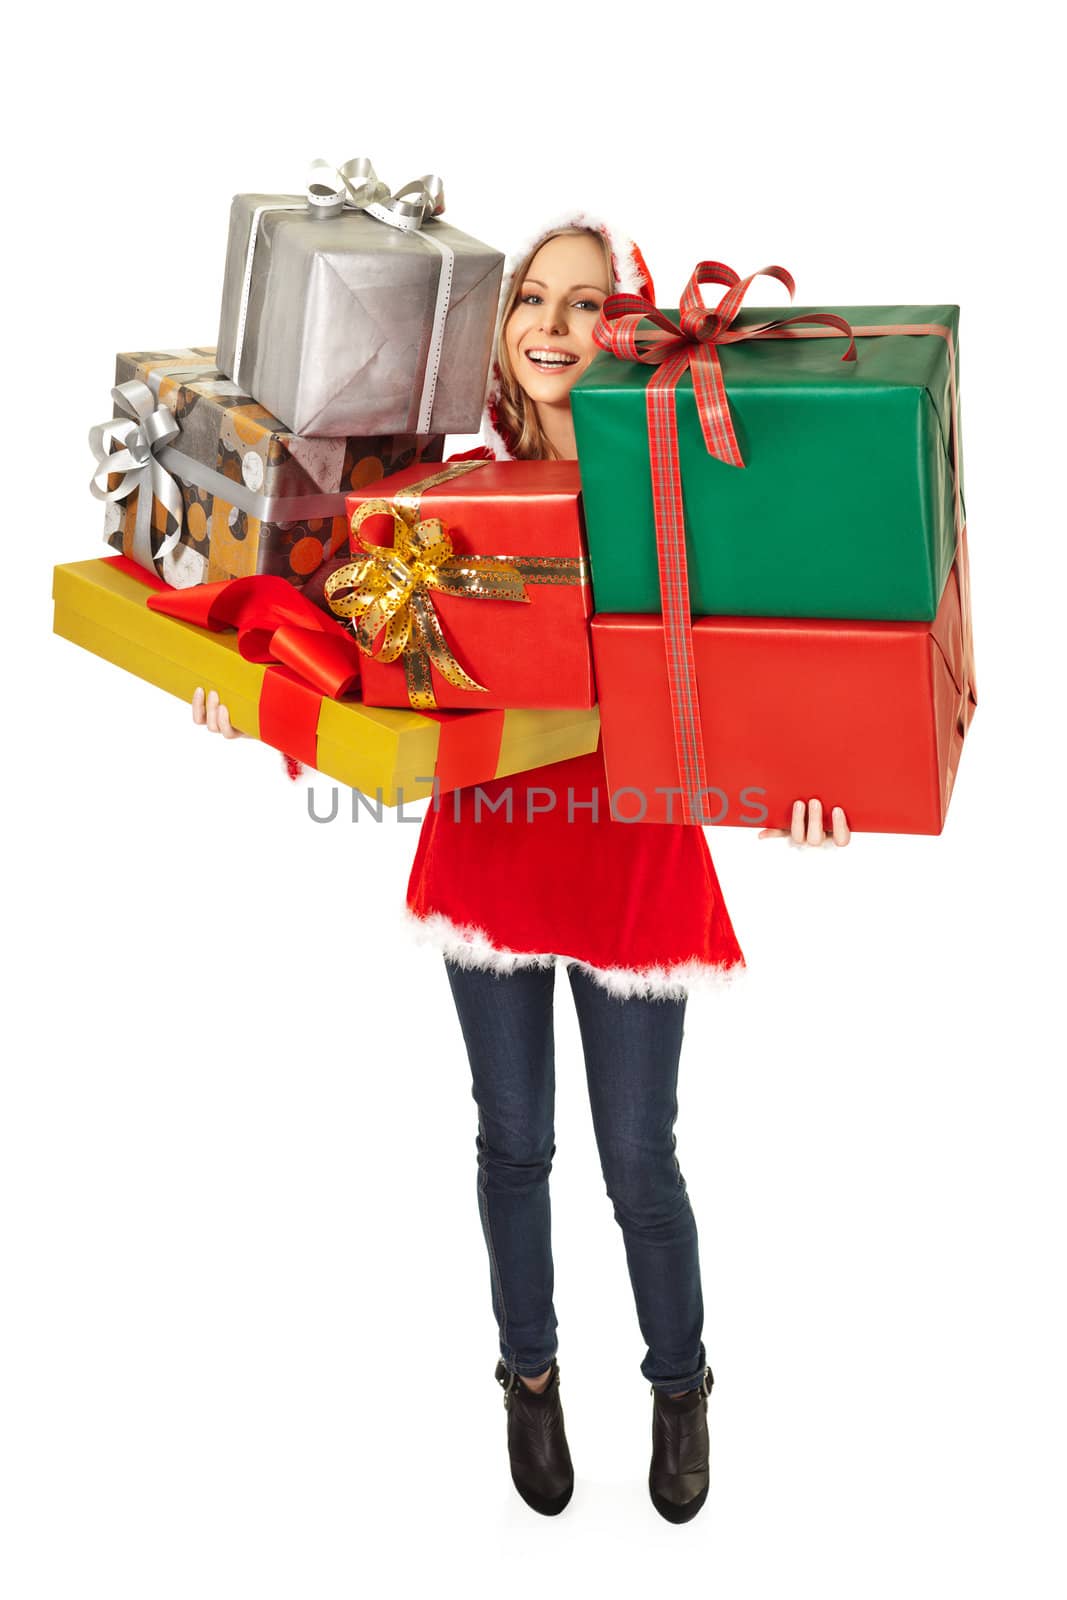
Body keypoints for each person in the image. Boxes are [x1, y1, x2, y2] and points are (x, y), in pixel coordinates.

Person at [192, 213, 851, 1523]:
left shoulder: (673, 491)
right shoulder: (439, 498)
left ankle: (680, 1387)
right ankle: (530, 1378)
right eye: (532, 299)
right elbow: (364, 656)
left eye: (587, 302)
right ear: (500, 334)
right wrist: (244, 686)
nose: (553, 321)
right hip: (491, 854)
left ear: (629, 331)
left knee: (637, 1158)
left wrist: (812, 790)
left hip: (632, 865)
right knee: (511, 1142)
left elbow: (760, 663)